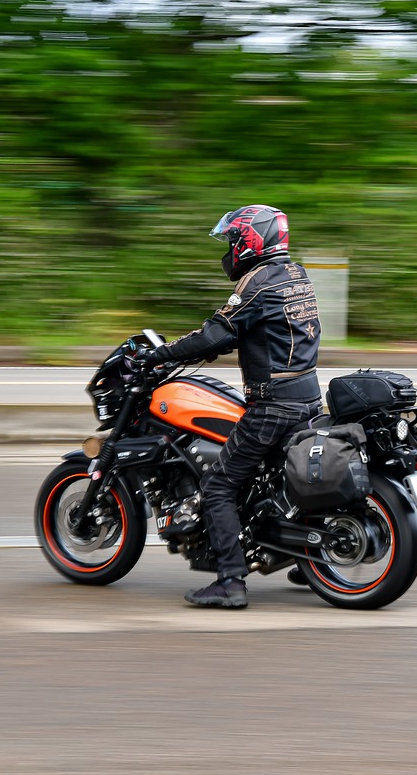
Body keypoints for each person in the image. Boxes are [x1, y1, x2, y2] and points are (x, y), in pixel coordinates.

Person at [140, 205, 322, 609]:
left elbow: (215, 333)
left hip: (273, 405)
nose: (230, 249)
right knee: (275, 478)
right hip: (308, 399)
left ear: (251, 241)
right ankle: (306, 556)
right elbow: (267, 329)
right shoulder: (296, 274)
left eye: (233, 240)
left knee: (218, 484)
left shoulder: (257, 281)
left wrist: (160, 355)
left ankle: (230, 581)